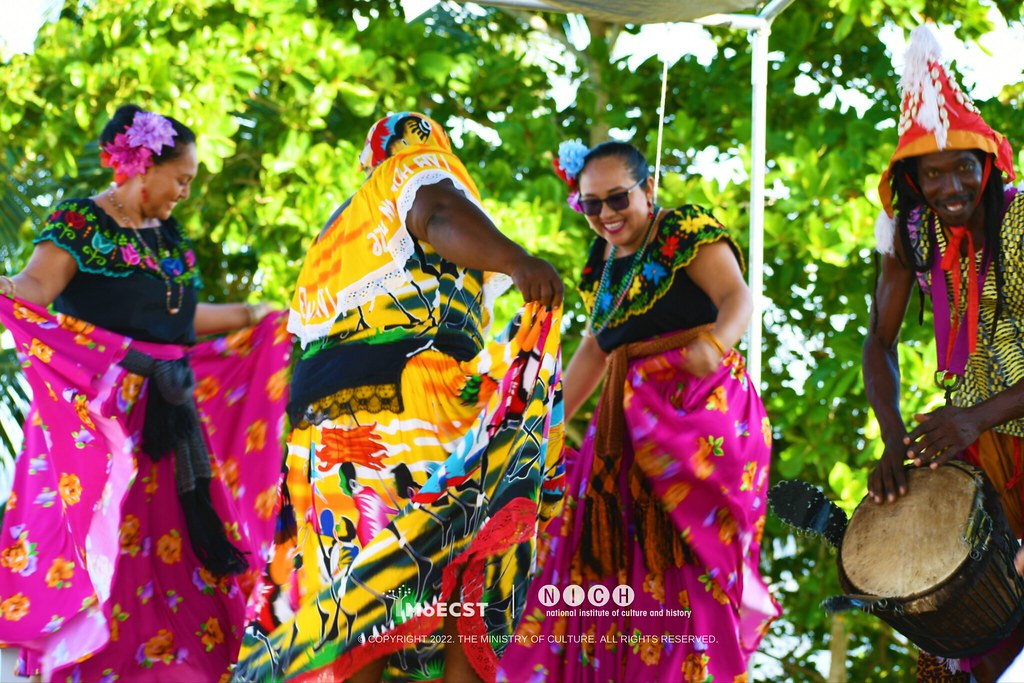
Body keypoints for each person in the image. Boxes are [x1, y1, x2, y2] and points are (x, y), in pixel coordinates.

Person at [234, 112, 566, 683]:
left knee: (356, 596)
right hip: (403, 407)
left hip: (321, 431)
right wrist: (516, 261)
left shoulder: (338, 232)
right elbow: (435, 211)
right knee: (458, 553)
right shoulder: (415, 170)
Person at [0, 104, 291, 682]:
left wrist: (256, 313)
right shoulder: (81, 223)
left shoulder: (170, 238)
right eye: (181, 179)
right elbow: (35, 287)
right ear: (142, 166)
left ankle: (169, 664)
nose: (184, 191)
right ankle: (85, 666)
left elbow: (180, 324)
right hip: (102, 417)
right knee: (96, 540)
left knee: (175, 544)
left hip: (169, 414)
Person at [497, 139, 779, 683]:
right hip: (624, 431)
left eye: (618, 199)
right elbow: (595, 350)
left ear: (648, 189)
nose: (605, 215)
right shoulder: (600, 266)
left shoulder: (683, 231)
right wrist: (545, 421)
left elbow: (739, 298)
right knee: (594, 545)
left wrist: (716, 345)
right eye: (591, 204)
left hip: (693, 418)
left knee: (684, 559)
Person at [864, 25, 1024, 681]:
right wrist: (894, 441)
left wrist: (975, 416)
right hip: (977, 441)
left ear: (988, 166)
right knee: (951, 613)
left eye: (964, 166)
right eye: (933, 172)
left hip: (989, 424)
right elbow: (878, 342)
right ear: (914, 179)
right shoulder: (911, 235)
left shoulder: (1020, 222)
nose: (951, 183)